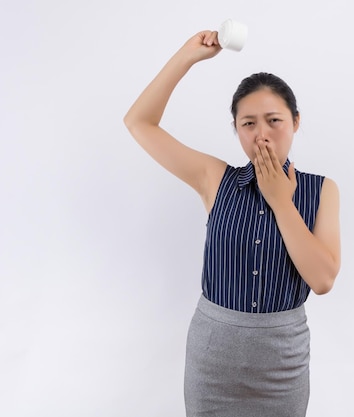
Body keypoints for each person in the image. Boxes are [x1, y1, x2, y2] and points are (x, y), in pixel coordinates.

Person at [123, 29, 341, 417]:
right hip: (212, 361)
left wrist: (279, 200)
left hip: (283, 365)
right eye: (248, 124)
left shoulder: (321, 190)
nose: (262, 136)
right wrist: (186, 57)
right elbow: (139, 122)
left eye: (274, 120)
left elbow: (323, 280)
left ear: (295, 121)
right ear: (236, 129)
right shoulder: (215, 178)